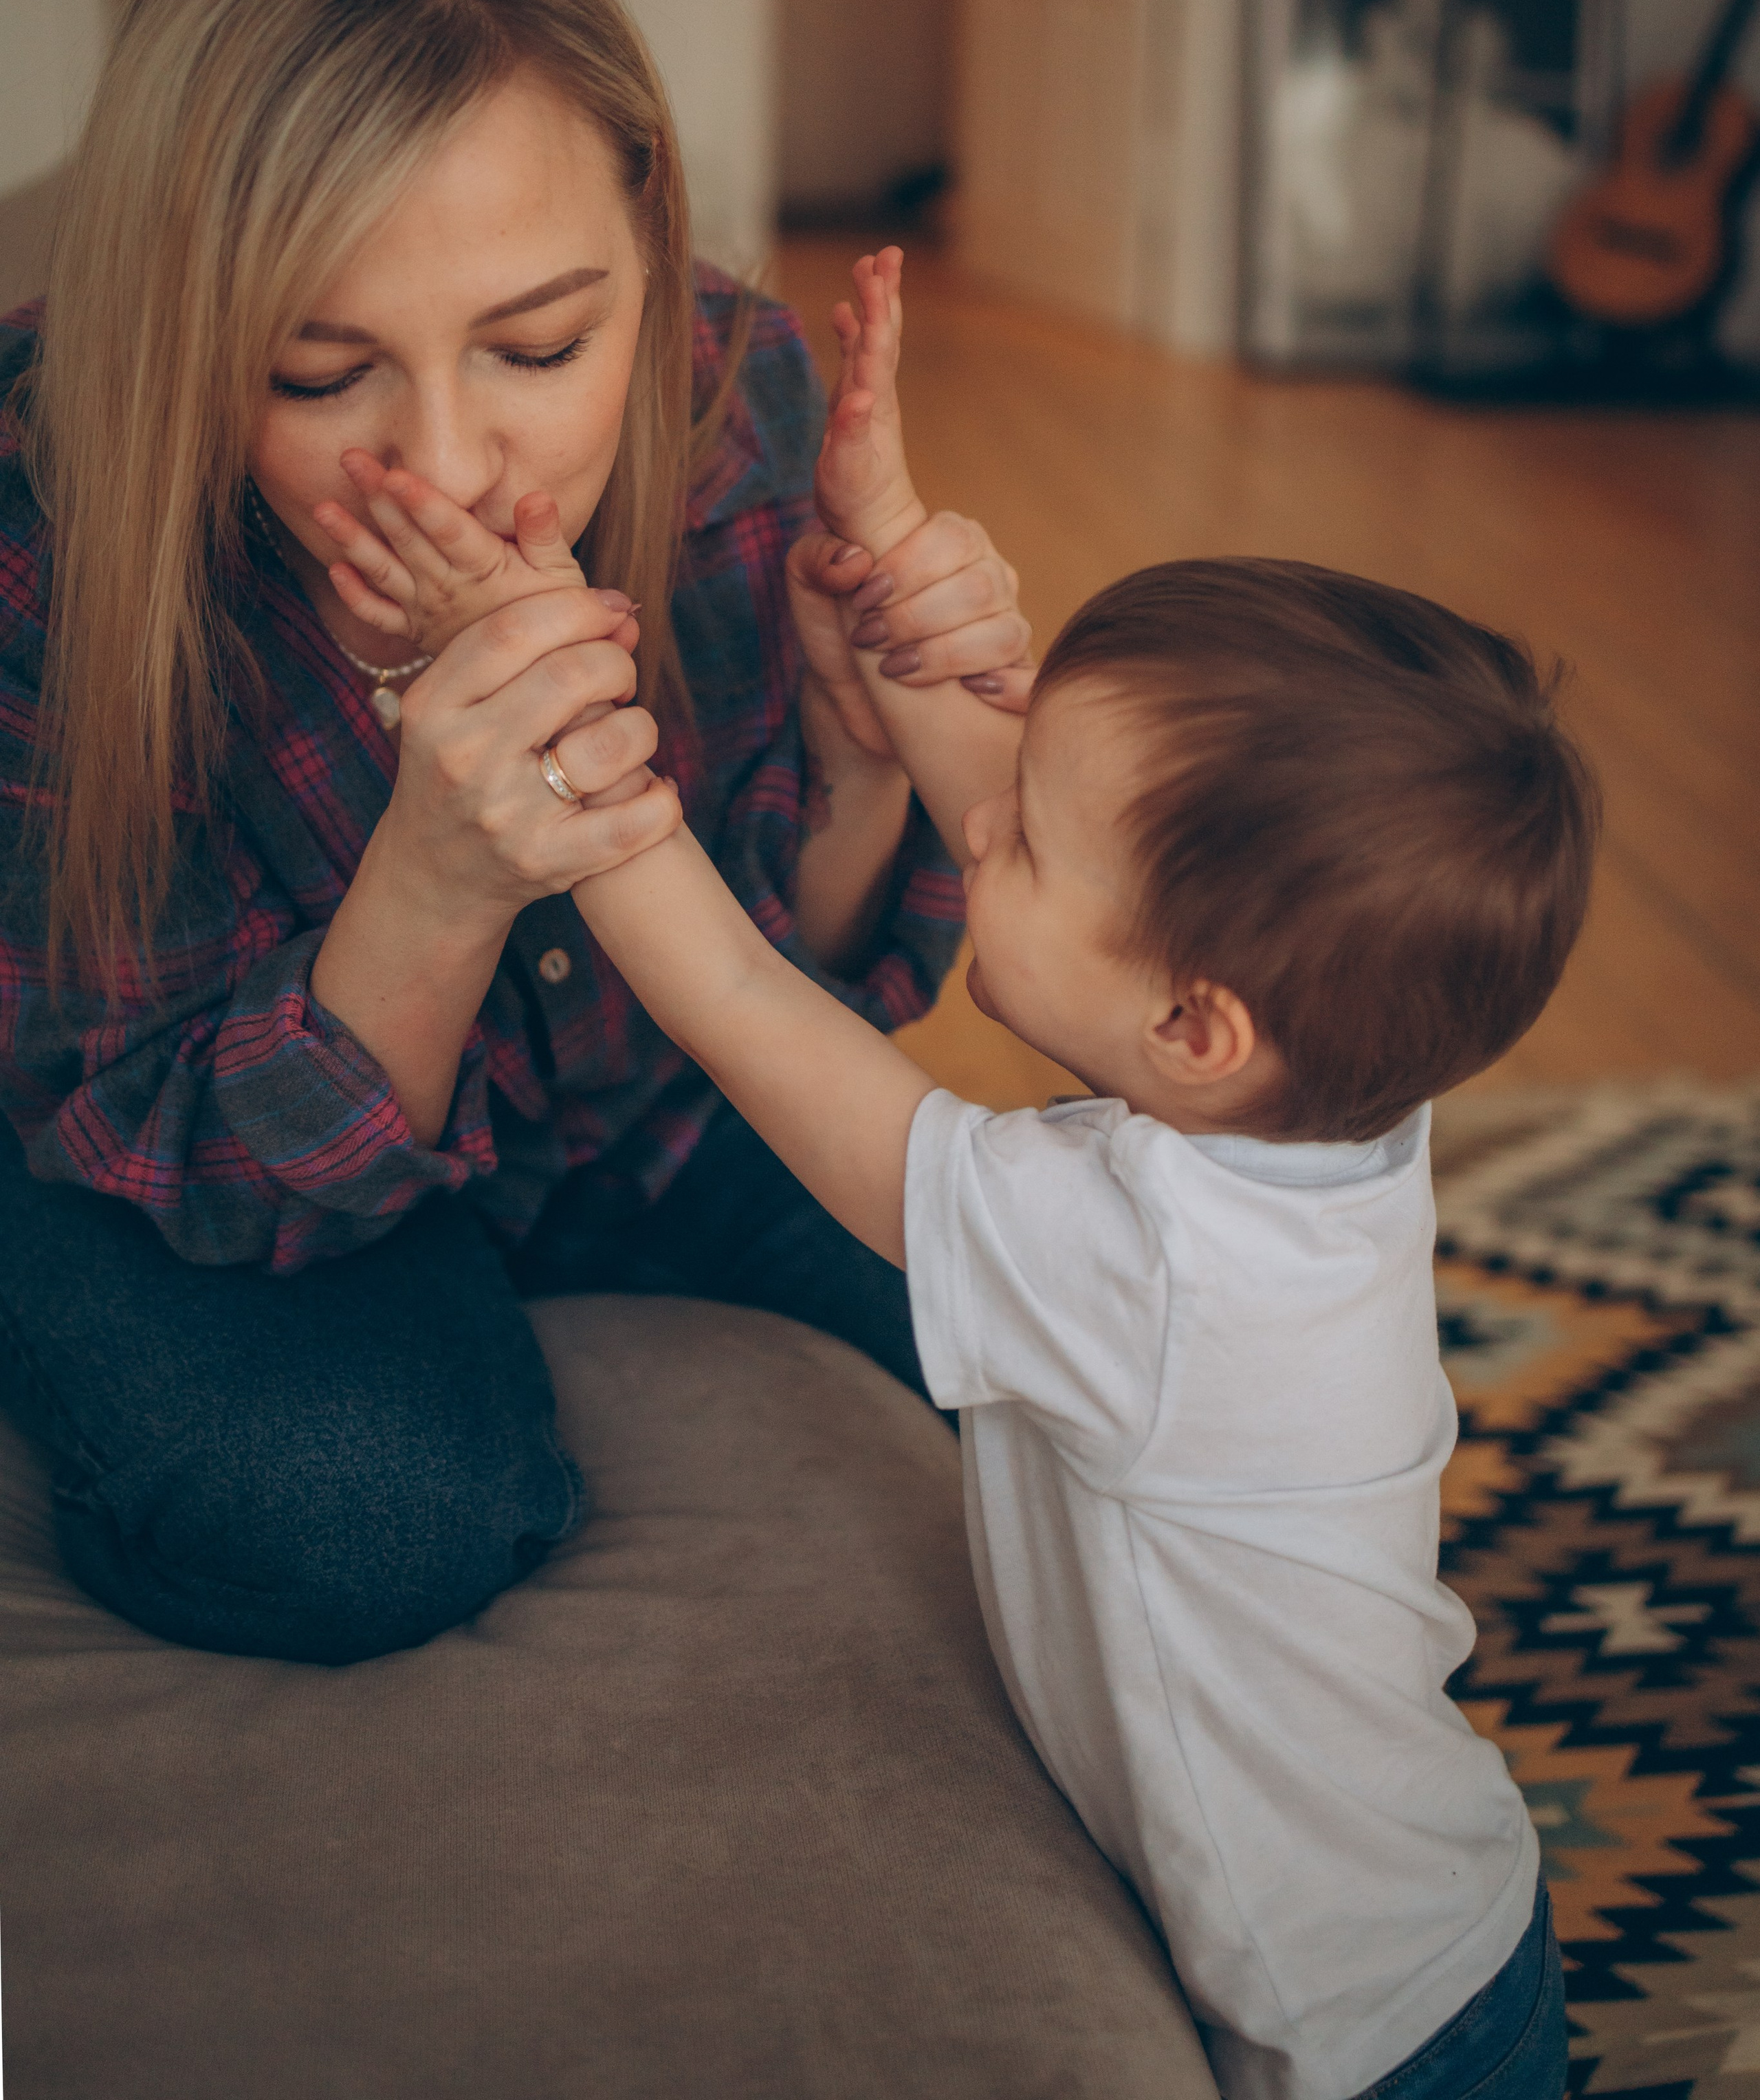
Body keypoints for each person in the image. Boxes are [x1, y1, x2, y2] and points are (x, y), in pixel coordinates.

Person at [338, 246, 1593, 2100]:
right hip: (1446, 1927)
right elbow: (1026, 777)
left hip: (1355, 2032)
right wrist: (884, 541)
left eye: (1014, 845)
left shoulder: (1125, 1267)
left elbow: (754, 1001)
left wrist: (537, 699)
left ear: (1193, 1026)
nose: (972, 816)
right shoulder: (1336, 1117)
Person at [0, 0, 1035, 1667]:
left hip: (644, 1117)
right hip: (192, 1157)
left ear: (647, 233)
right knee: (365, 1513)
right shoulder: (45, 525)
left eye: (540, 343)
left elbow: (807, 1006)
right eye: (321, 378)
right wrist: (437, 881)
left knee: (1076, 1382)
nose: (460, 462)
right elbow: (191, 1152)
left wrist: (860, 758)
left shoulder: (743, 384)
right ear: (181, 321)